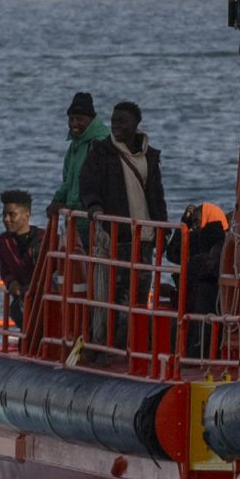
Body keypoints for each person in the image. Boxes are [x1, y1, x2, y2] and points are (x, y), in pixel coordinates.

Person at [79, 101, 168, 350]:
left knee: (140, 293)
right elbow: (87, 184)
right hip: (118, 234)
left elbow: (156, 196)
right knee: (116, 295)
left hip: (145, 235)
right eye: (114, 120)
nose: (116, 126)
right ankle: (111, 346)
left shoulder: (149, 155)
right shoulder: (101, 152)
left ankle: (134, 345)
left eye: (122, 121)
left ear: (136, 125)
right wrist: (94, 206)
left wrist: (164, 229)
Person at [168, 203, 229, 357]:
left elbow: (172, 254)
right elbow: (173, 255)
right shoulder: (227, 244)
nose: (195, 227)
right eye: (193, 223)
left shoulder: (202, 243)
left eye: (197, 221)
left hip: (199, 308)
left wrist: (183, 225)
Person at [46, 92, 110, 223]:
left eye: (79, 119)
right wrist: (57, 200)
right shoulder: (74, 146)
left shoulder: (101, 143)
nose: (74, 124)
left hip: (93, 217)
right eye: (71, 119)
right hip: (75, 217)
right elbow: (68, 182)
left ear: (91, 120)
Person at [0, 189, 44, 325]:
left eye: (12, 215)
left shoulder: (45, 240)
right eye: (4, 215)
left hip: (42, 298)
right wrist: (11, 282)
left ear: (26, 215)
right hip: (22, 300)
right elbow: (5, 271)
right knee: (16, 310)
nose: (6, 219)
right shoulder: (3, 241)